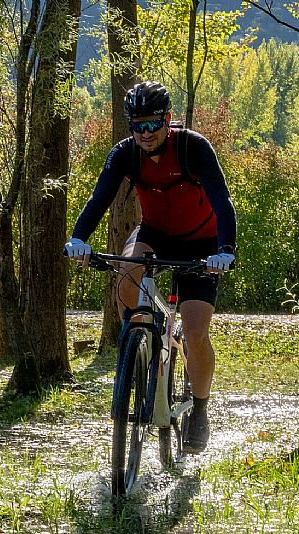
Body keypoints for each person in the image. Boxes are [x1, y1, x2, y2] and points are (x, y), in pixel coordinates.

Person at [64, 81, 236, 454]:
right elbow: (99, 199)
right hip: (155, 234)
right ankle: (138, 348)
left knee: (194, 331)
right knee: (127, 280)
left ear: (167, 120)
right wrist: (78, 239)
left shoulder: (193, 147)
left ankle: (201, 411)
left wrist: (225, 249)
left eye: (152, 124)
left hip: (202, 243)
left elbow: (223, 201)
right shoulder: (125, 153)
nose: (145, 133)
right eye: (137, 125)